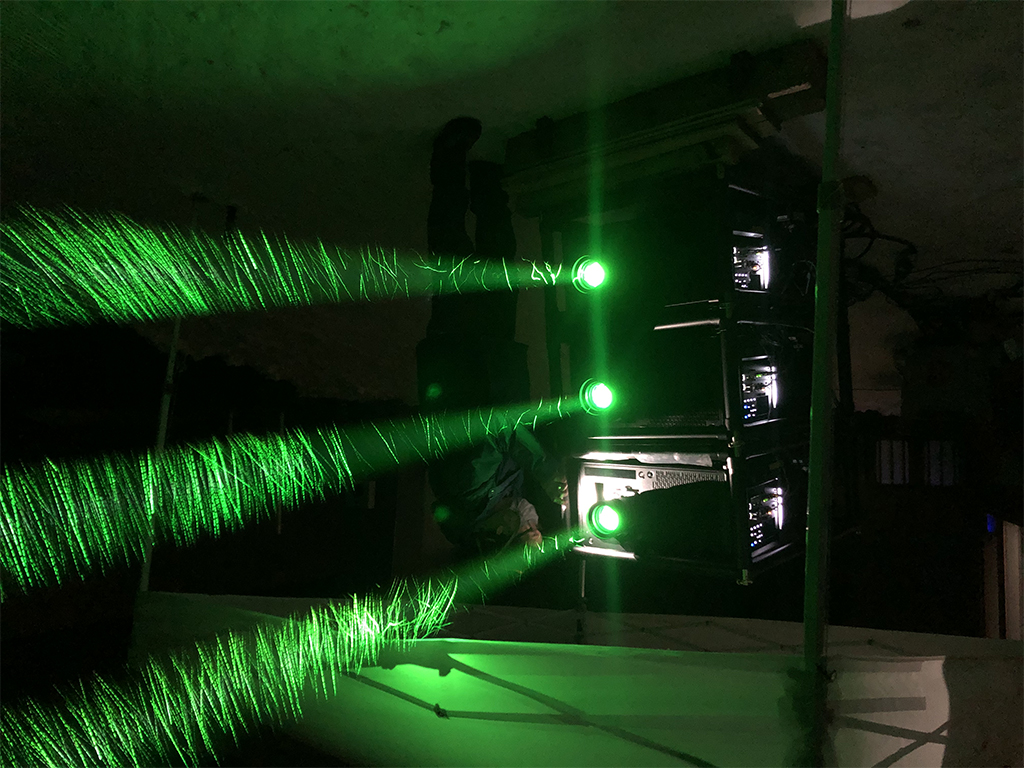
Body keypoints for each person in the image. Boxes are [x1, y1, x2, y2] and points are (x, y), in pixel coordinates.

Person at [416, 117, 566, 559]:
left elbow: (496, 423)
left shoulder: (465, 485)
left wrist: (544, 468)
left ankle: (448, 158)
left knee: (452, 248)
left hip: (462, 346)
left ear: (497, 533)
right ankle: (486, 179)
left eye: (529, 529)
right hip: (490, 354)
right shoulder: (499, 494)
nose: (534, 520)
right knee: (500, 260)